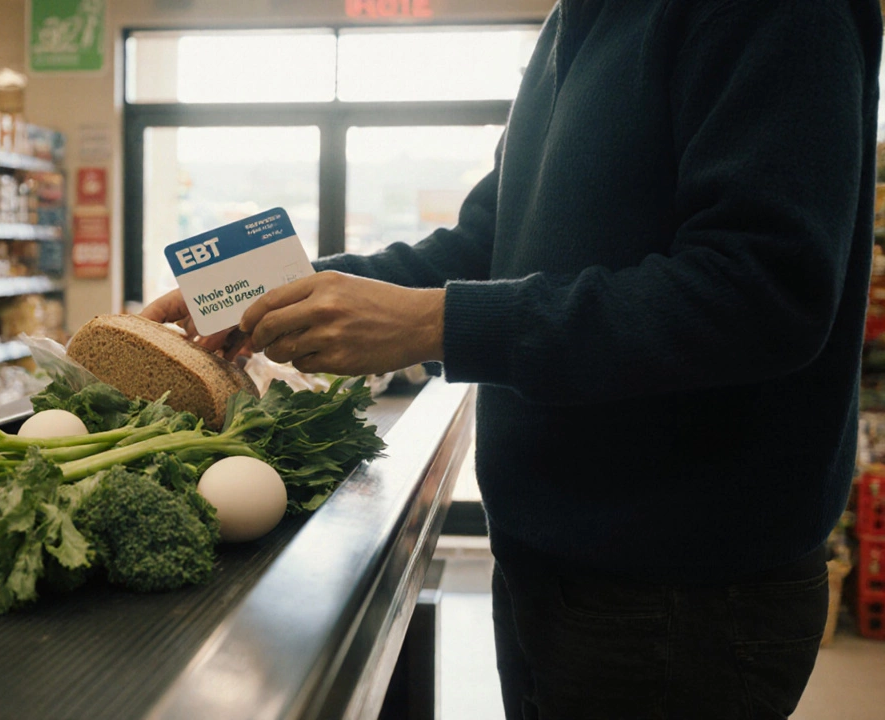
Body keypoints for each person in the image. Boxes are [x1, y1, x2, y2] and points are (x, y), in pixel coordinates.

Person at [142, 1, 884, 717]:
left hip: (681, 592)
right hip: (549, 559)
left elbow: (760, 296)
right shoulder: (577, 19)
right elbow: (485, 246)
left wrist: (441, 323)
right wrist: (276, 293)